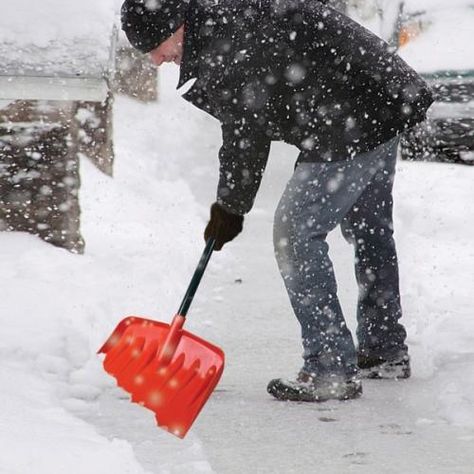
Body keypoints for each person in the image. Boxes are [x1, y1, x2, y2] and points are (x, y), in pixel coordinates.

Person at [121, 0, 433, 401]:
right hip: (378, 100)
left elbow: (246, 134)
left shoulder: (226, 38)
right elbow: (253, 116)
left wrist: (229, 208)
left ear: (175, 24)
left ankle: (330, 368)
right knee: (368, 228)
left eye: (154, 45)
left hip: (352, 115)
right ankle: (384, 350)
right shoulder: (225, 22)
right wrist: (230, 207)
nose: (156, 59)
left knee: (295, 231)